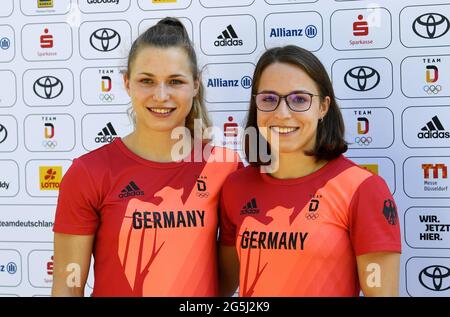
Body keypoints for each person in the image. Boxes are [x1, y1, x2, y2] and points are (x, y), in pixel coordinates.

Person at [52, 17, 241, 297]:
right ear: (127, 83)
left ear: (196, 85)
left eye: (175, 81)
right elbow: (68, 286)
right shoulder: (88, 172)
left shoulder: (225, 168)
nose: (161, 95)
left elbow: (226, 280)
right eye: (146, 81)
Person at [218, 45, 401, 297]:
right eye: (269, 99)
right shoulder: (236, 187)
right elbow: (220, 287)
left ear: (323, 107)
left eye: (299, 100)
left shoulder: (363, 189)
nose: (282, 114)